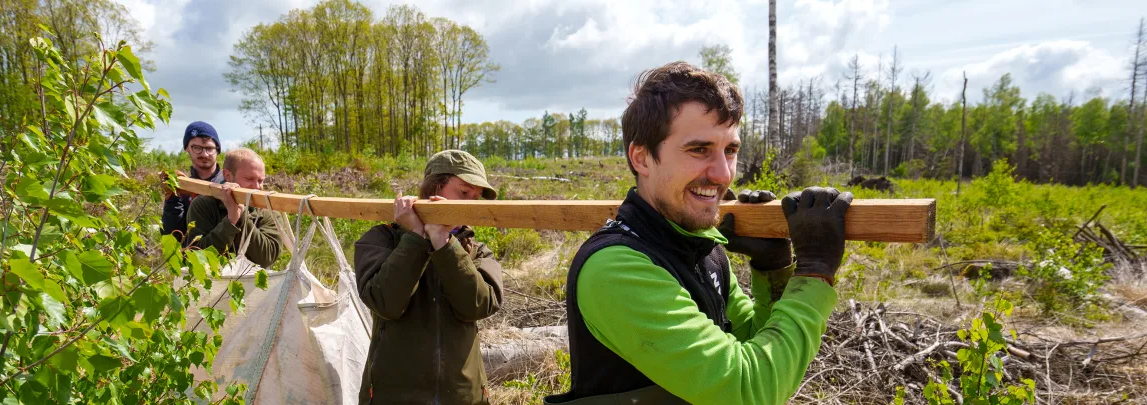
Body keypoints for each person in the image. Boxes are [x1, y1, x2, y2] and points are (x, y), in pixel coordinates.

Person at [545, 62, 852, 404]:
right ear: (642, 158)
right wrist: (814, 272)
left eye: (730, 150)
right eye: (699, 149)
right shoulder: (615, 268)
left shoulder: (701, 247)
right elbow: (748, 390)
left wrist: (774, 268)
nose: (723, 174)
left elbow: (754, 341)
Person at [353, 149, 505, 405]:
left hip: (462, 395)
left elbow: (479, 306)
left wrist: (444, 244)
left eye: (476, 197)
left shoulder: (476, 250)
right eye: (464, 192)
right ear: (434, 188)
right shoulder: (380, 240)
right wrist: (416, 239)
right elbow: (384, 302)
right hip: (394, 395)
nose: (470, 204)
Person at [184, 148, 283, 268]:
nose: (257, 187)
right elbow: (198, 257)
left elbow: (267, 258)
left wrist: (241, 216)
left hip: (253, 285)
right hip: (213, 284)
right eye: (249, 179)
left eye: (260, 180)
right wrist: (230, 222)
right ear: (228, 176)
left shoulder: (269, 210)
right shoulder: (203, 205)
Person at [162, 121, 224, 242]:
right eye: (197, 148)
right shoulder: (182, 186)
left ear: (217, 150)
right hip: (193, 256)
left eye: (209, 148)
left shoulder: (229, 182)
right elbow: (173, 236)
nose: (204, 154)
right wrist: (172, 199)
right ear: (187, 149)